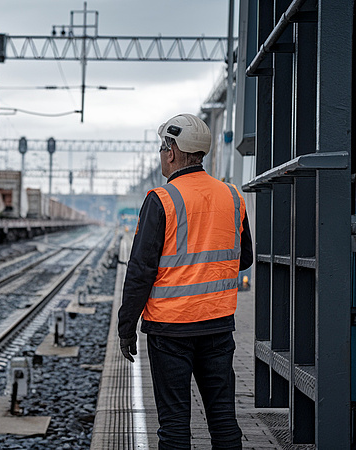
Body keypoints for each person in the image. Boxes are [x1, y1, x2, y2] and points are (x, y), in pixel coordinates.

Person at [116, 113, 253, 449]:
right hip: (218, 326)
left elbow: (141, 270)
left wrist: (126, 326)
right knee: (222, 418)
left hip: (170, 330)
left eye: (163, 148)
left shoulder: (161, 200)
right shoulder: (233, 197)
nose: (162, 155)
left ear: (173, 151)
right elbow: (245, 258)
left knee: (175, 424)